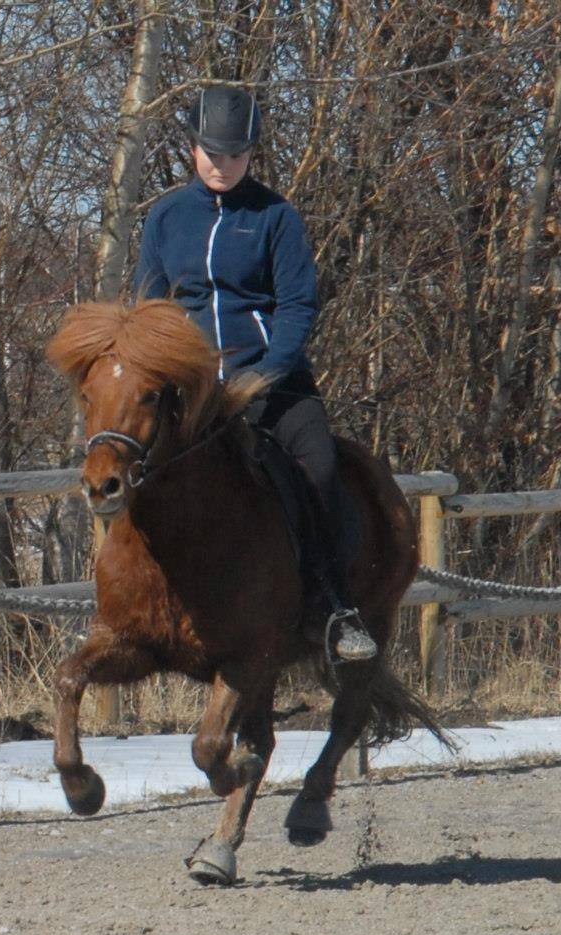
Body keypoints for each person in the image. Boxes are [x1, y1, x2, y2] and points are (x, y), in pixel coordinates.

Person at [132, 84, 376, 661]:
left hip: (273, 382)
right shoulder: (166, 217)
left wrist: (265, 374)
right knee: (125, 464)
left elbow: (297, 305)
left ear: (251, 153)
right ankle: (136, 607)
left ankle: (336, 608)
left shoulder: (275, 217)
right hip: (191, 395)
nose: (223, 164)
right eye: (213, 152)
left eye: (236, 154)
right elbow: (148, 305)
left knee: (317, 470)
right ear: (193, 148)